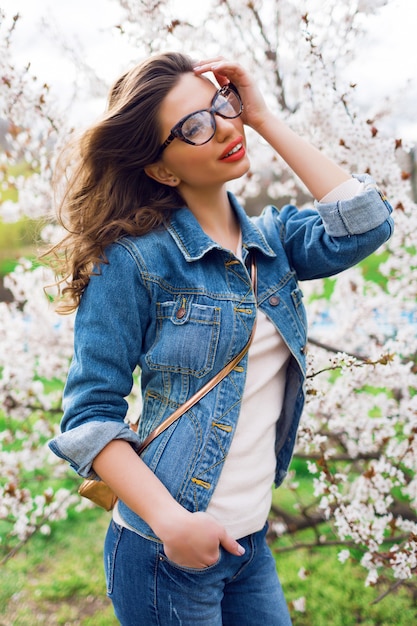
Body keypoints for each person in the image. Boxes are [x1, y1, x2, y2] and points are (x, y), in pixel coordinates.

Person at [48, 51, 394, 625]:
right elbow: (89, 415)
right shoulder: (133, 261)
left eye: (220, 106)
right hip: (166, 550)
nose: (222, 128)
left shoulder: (273, 240)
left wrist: (263, 117)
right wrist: (172, 522)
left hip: (247, 545)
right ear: (161, 169)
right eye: (194, 127)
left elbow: (366, 221)